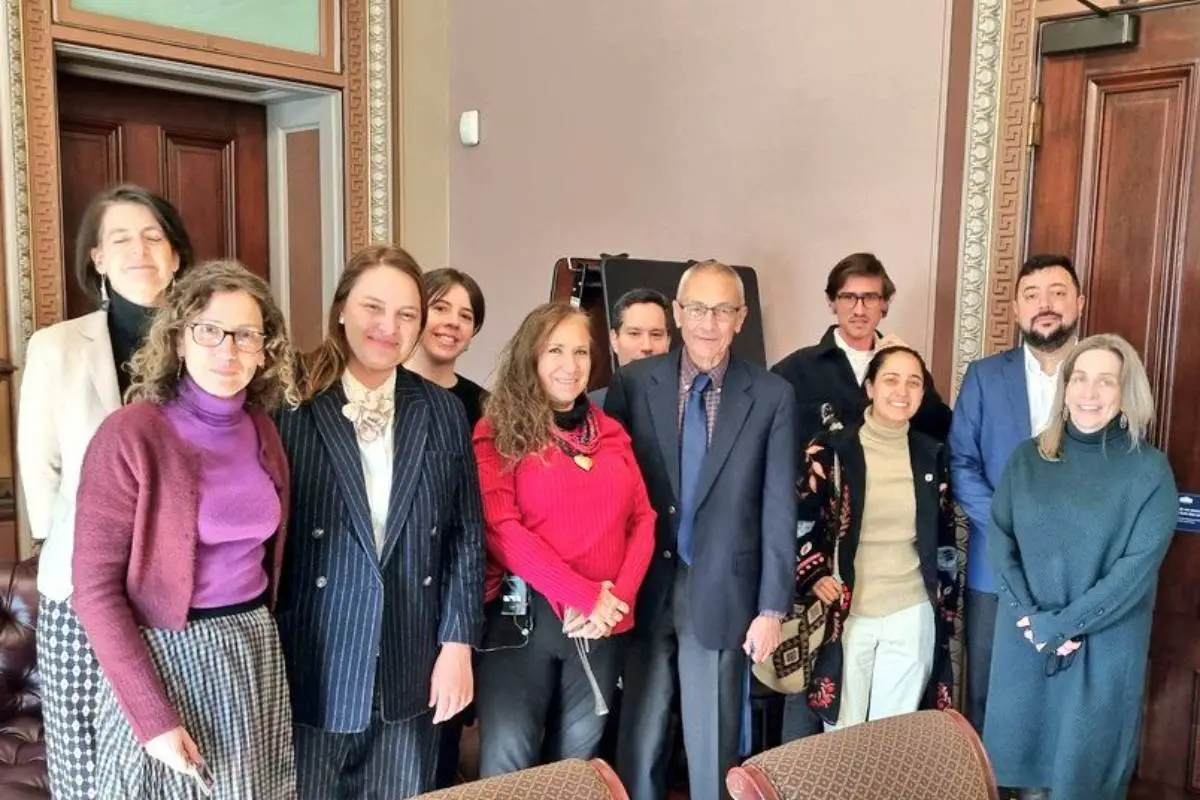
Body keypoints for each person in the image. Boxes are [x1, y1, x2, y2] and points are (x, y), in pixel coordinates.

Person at [71, 260, 299, 798]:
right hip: (164, 657)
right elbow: (95, 590)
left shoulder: (262, 430)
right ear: (178, 339)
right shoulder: (131, 434)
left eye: (246, 335)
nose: (228, 350)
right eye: (209, 330)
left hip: (251, 647)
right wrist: (152, 719)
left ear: (265, 349)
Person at [274, 244, 485, 799]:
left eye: (406, 314)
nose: (389, 327)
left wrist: (458, 644)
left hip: (409, 655)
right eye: (373, 307)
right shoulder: (289, 397)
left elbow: (465, 534)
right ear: (342, 308)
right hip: (314, 654)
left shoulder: (441, 409)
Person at [18, 184, 193, 799]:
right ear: (96, 257)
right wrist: (78, 555)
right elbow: (41, 470)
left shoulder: (207, 341)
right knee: (87, 765)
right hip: (81, 589)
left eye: (152, 236)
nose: (138, 250)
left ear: (175, 254)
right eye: (120, 238)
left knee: (173, 761)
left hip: (181, 592)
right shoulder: (57, 346)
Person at [606, 260, 797, 800]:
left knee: (711, 744)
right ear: (677, 312)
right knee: (639, 737)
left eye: (721, 310)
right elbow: (612, 494)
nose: (708, 323)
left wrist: (772, 609)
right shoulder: (634, 383)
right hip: (642, 584)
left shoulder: (772, 395)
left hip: (721, 589)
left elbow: (778, 506)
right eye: (697, 309)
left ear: (741, 317)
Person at [983, 333, 1176, 799]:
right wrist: (1032, 621)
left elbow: (1133, 573)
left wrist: (1061, 626)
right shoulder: (1027, 458)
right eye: (1080, 378)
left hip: (1101, 651)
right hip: (1026, 642)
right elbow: (1000, 542)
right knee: (1025, 782)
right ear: (1065, 387)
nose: (1090, 393)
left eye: (1106, 381)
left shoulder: (1150, 471)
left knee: (1083, 781)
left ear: (1126, 393)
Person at [472, 301, 656, 776]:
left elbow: (644, 519)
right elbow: (501, 529)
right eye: (555, 350)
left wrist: (615, 602)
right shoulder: (497, 431)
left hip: (601, 625)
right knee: (509, 763)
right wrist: (584, 595)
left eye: (580, 352)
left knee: (578, 765)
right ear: (530, 356)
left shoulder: (612, 434)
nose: (570, 365)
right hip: (523, 623)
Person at [783, 346, 958, 739]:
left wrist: (945, 607)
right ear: (870, 388)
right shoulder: (830, 451)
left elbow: (944, 537)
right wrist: (813, 574)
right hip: (848, 610)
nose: (902, 391)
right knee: (842, 736)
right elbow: (799, 520)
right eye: (891, 380)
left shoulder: (931, 455)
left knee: (891, 738)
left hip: (910, 610)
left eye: (914, 382)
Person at [949, 253, 1085, 734]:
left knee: (1066, 699)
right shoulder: (984, 377)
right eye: (1032, 295)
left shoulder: (1102, 376)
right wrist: (1013, 529)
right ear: (1015, 309)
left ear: (1079, 302)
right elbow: (961, 463)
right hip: (995, 569)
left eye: (1057, 293)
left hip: (1078, 574)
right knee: (989, 693)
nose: (1044, 304)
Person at [771, 252, 951, 447]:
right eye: (848, 297)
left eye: (870, 298)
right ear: (832, 302)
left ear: (884, 304)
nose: (859, 310)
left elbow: (941, 431)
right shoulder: (794, 369)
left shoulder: (909, 368)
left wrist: (909, 366)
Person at [405, 267, 489, 432]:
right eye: (440, 308)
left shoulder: (486, 406)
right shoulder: (383, 386)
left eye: (465, 316)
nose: (453, 322)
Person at [589, 288, 671, 407]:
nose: (646, 346)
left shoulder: (687, 404)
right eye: (634, 334)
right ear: (614, 339)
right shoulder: (592, 408)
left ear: (668, 341)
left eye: (656, 334)